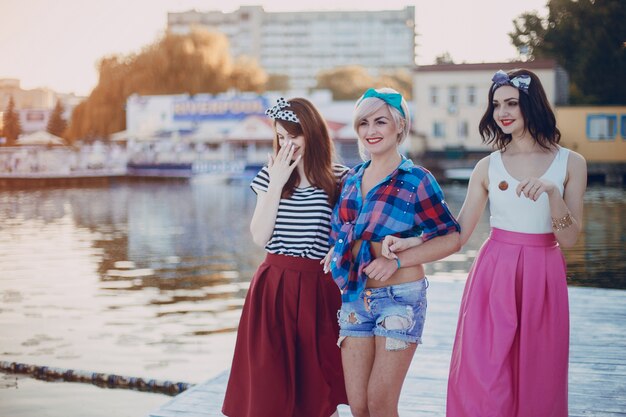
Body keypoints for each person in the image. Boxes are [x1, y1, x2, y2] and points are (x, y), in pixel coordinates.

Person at [382, 69, 587, 417]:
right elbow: (459, 233)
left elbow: (568, 239)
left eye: (511, 103)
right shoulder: (487, 166)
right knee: (485, 372)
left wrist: (552, 194)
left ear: (531, 105)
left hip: (543, 274)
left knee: (540, 374)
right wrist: (410, 244)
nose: (502, 112)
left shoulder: (571, 163)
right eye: (496, 105)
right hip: (494, 273)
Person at [323, 87, 460, 417]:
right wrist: (337, 250)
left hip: (400, 298)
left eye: (380, 122)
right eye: (363, 123)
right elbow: (342, 233)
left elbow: (450, 238)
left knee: (381, 403)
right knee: (359, 407)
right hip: (355, 297)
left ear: (400, 125)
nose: (371, 131)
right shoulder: (352, 180)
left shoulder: (416, 180)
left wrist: (396, 259)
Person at [222, 97, 348, 417]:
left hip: (317, 288)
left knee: (319, 388)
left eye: (294, 135)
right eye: (280, 135)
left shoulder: (340, 177)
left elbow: (353, 228)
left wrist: (342, 244)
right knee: (269, 386)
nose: (287, 143)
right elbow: (260, 236)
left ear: (313, 133)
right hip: (273, 286)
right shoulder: (271, 175)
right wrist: (276, 184)